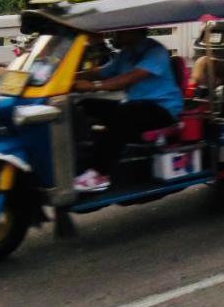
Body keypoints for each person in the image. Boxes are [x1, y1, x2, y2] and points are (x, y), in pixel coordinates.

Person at [72, 29, 184, 193]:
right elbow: (101, 72)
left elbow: (130, 77)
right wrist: (70, 76)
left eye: (119, 31)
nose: (114, 34)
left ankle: (99, 174)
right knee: (85, 105)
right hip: (137, 107)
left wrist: (93, 86)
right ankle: (83, 161)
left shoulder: (155, 51)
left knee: (126, 113)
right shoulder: (126, 53)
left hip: (163, 111)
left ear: (135, 31)